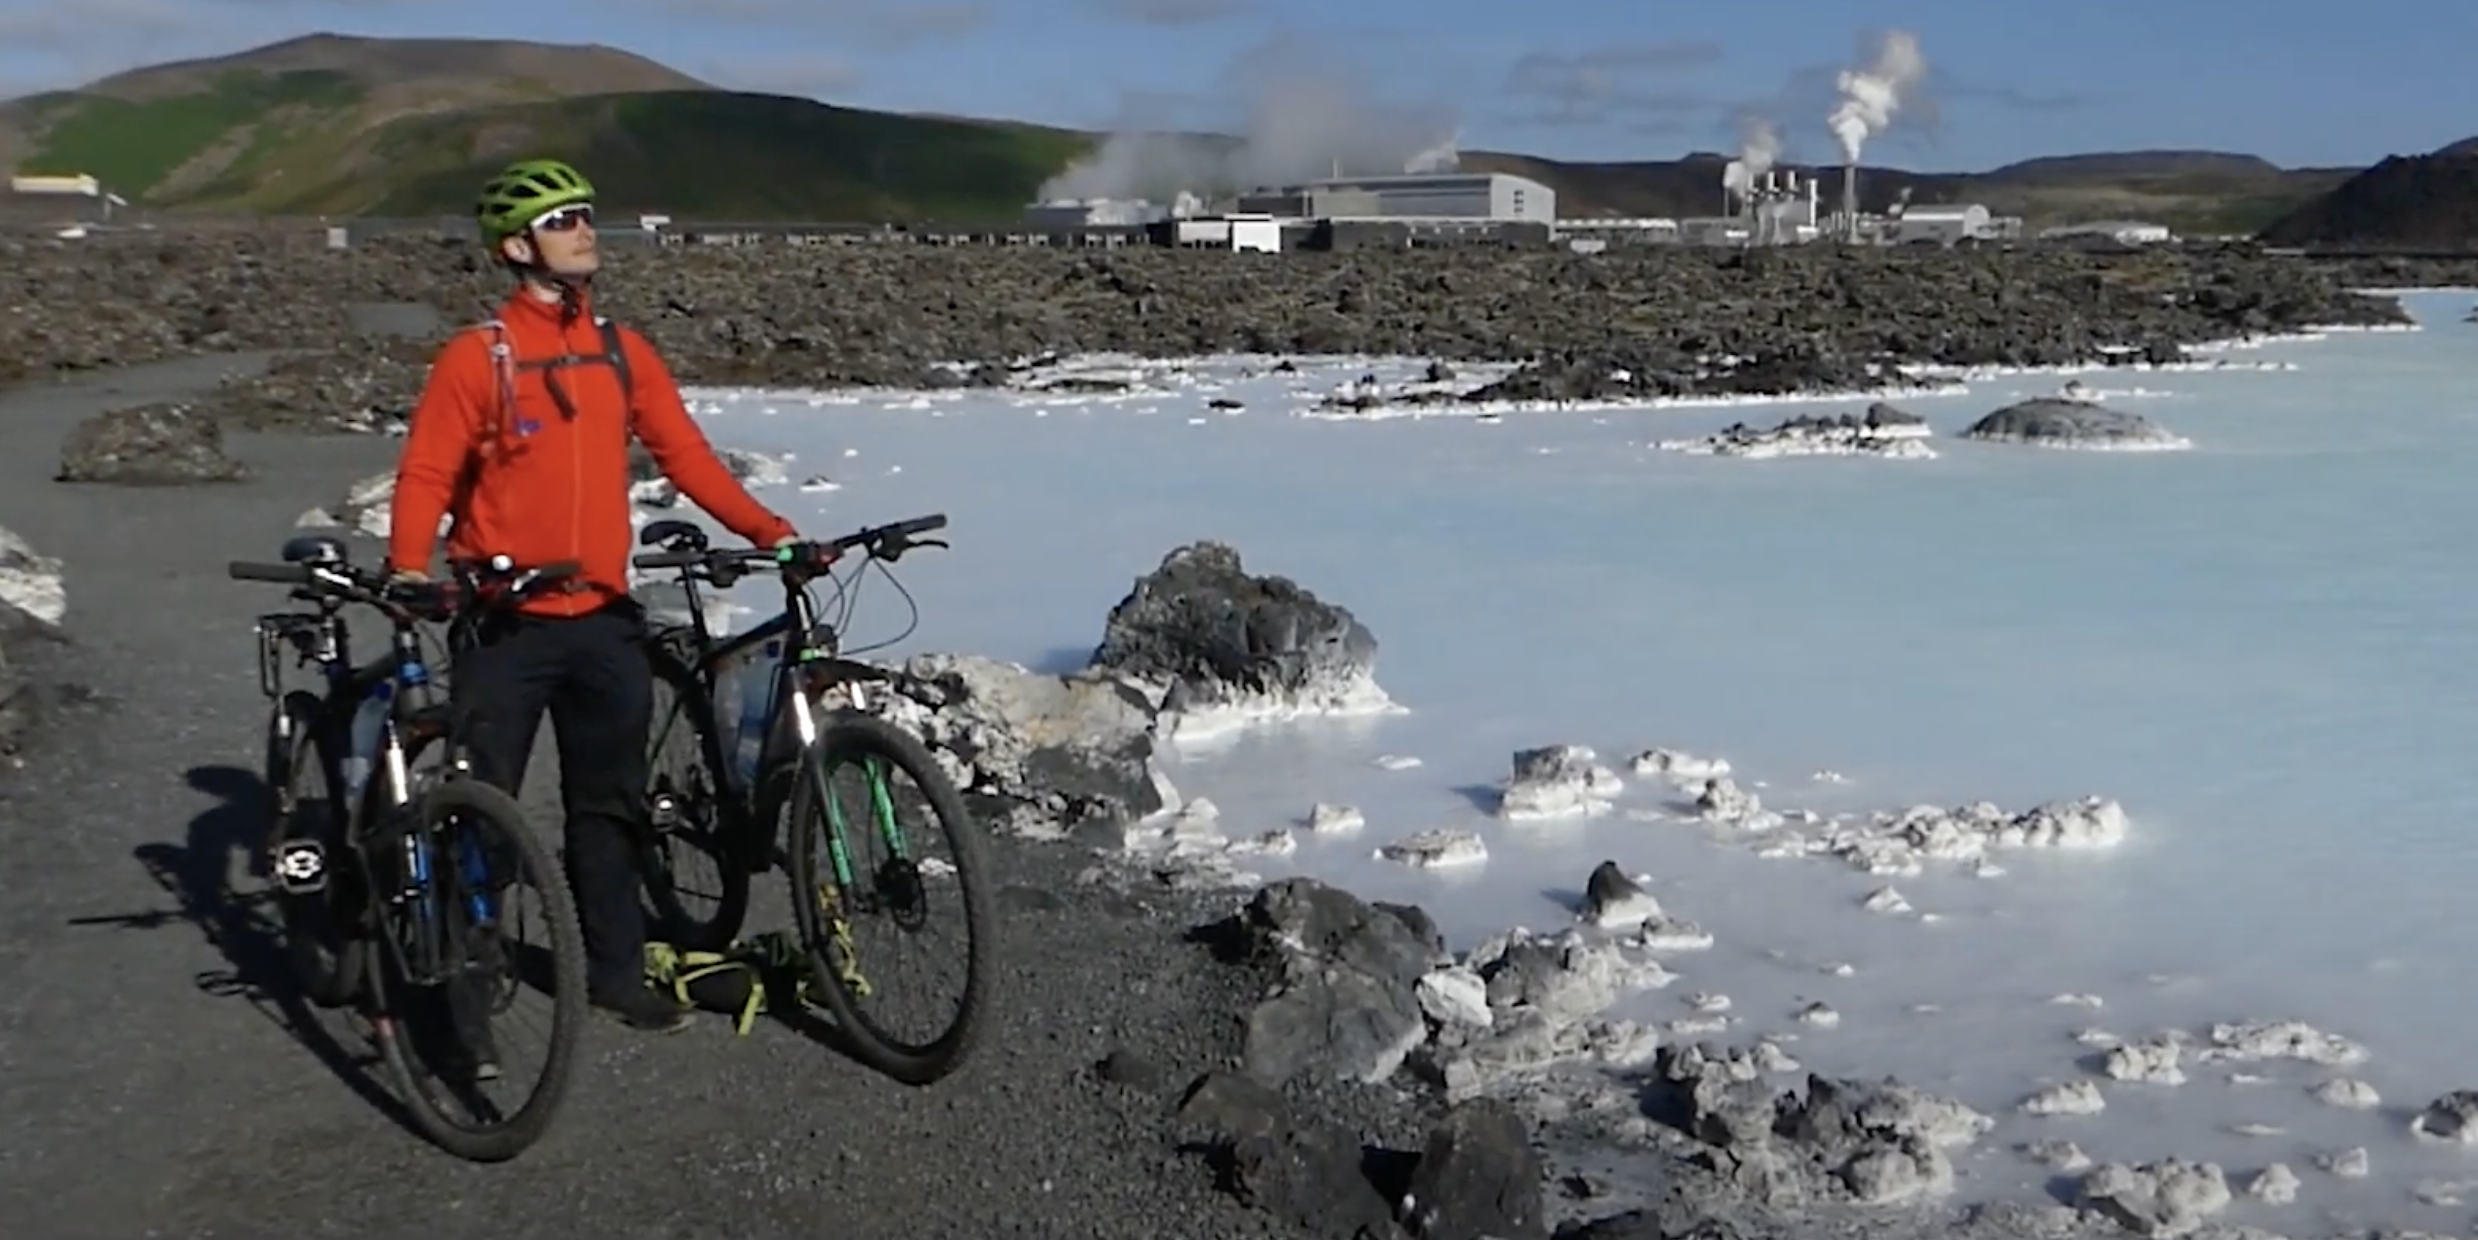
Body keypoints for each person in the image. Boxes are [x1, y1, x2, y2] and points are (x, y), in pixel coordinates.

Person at [384, 158, 800, 1039]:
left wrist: (771, 531)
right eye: (563, 218)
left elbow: (685, 456)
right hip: (506, 626)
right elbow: (426, 469)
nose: (584, 228)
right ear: (516, 245)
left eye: (585, 215)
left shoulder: (621, 350)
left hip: (605, 621)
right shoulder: (478, 357)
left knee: (608, 810)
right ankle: (469, 980)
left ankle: (614, 972)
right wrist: (409, 565)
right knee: (484, 811)